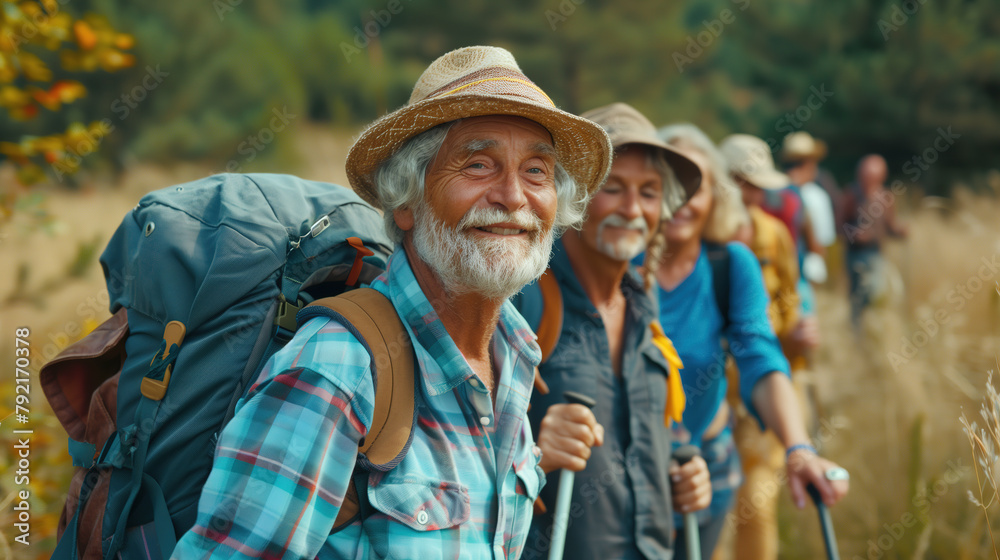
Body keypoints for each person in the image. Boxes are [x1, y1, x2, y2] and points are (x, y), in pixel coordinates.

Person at [171, 45, 614, 559]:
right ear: (405, 203)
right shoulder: (337, 370)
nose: (513, 196)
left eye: (536, 171)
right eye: (477, 165)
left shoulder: (513, 355)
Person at [514, 102, 711, 560]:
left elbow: (649, 437)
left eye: (649, 192)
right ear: (572, 196)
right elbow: (457, 451)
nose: (632, 209)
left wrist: (684, 470)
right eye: (613, 188)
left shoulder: (646, 305)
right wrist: (533, 452)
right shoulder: (526, 299)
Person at [653, 123, 849, 559]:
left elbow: (758, 353)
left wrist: (799, 449)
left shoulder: (730, 264)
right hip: (622, 472)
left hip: (703, 464)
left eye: (695, 186)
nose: (681, 200)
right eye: (666, 185)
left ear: (715, 197)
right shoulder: (619, 265)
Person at [718, 133, 818, 560]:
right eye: (743, 183)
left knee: (757, 502)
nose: (753, 194)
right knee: (710, 506)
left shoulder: (774, 233)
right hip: (710, 391)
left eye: (758, 185)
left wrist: (796, 330)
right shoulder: (697, 239)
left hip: (764, 386)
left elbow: (790, 296)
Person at [841, 154, 908, 328]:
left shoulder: (886, 198)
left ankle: (872, 328)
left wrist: (900, 231)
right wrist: (854, 234)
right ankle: (856, 331)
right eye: (865, 176)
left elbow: (890, 227)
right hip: (855, 255)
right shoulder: (851, 195)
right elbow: (839, 225)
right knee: (857, 295)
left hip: (876, 254)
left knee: (876, 292)